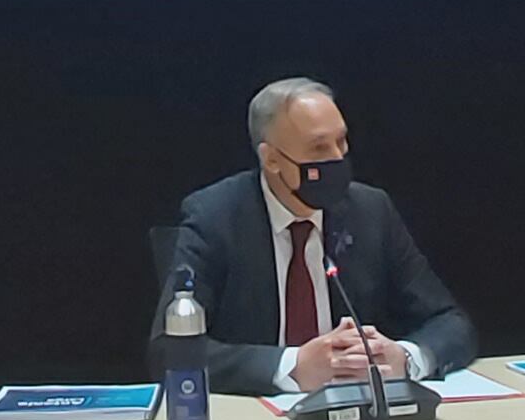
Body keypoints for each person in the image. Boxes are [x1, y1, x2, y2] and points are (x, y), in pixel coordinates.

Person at [149, 78, 475, 395]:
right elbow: (168, 351)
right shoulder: (215, 217)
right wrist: (293, 365)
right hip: (256, 419)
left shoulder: (371, 211)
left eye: (342, 142)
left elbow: (451, 323)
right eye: (319, 147)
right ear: (272, 159)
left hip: (357, 409)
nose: (337, 158)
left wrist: (404, 359)